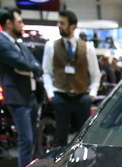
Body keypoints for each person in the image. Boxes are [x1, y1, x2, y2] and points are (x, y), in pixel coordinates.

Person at [0, 7, 43, 167]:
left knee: (31, 139)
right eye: (19, 21)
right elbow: (22, 64)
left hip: (30, 96)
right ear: (8, 23)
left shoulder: (18, 44)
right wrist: (30, 68)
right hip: (17, 97)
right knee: (26, 139)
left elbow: (34, 65)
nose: (22, 24)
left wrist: (30, 68)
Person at [42, 10, 101, 149]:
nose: (59, 25)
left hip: (82, 97)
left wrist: (92, 94)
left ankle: (83, 160)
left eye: (62, 23)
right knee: (60, 137)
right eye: (58, 22)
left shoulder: (88, 48)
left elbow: (95, 73)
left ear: (72, 26)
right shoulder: (51, 46)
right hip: (61, 96)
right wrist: (51, 94)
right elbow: (46, 72)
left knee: (84, 136)